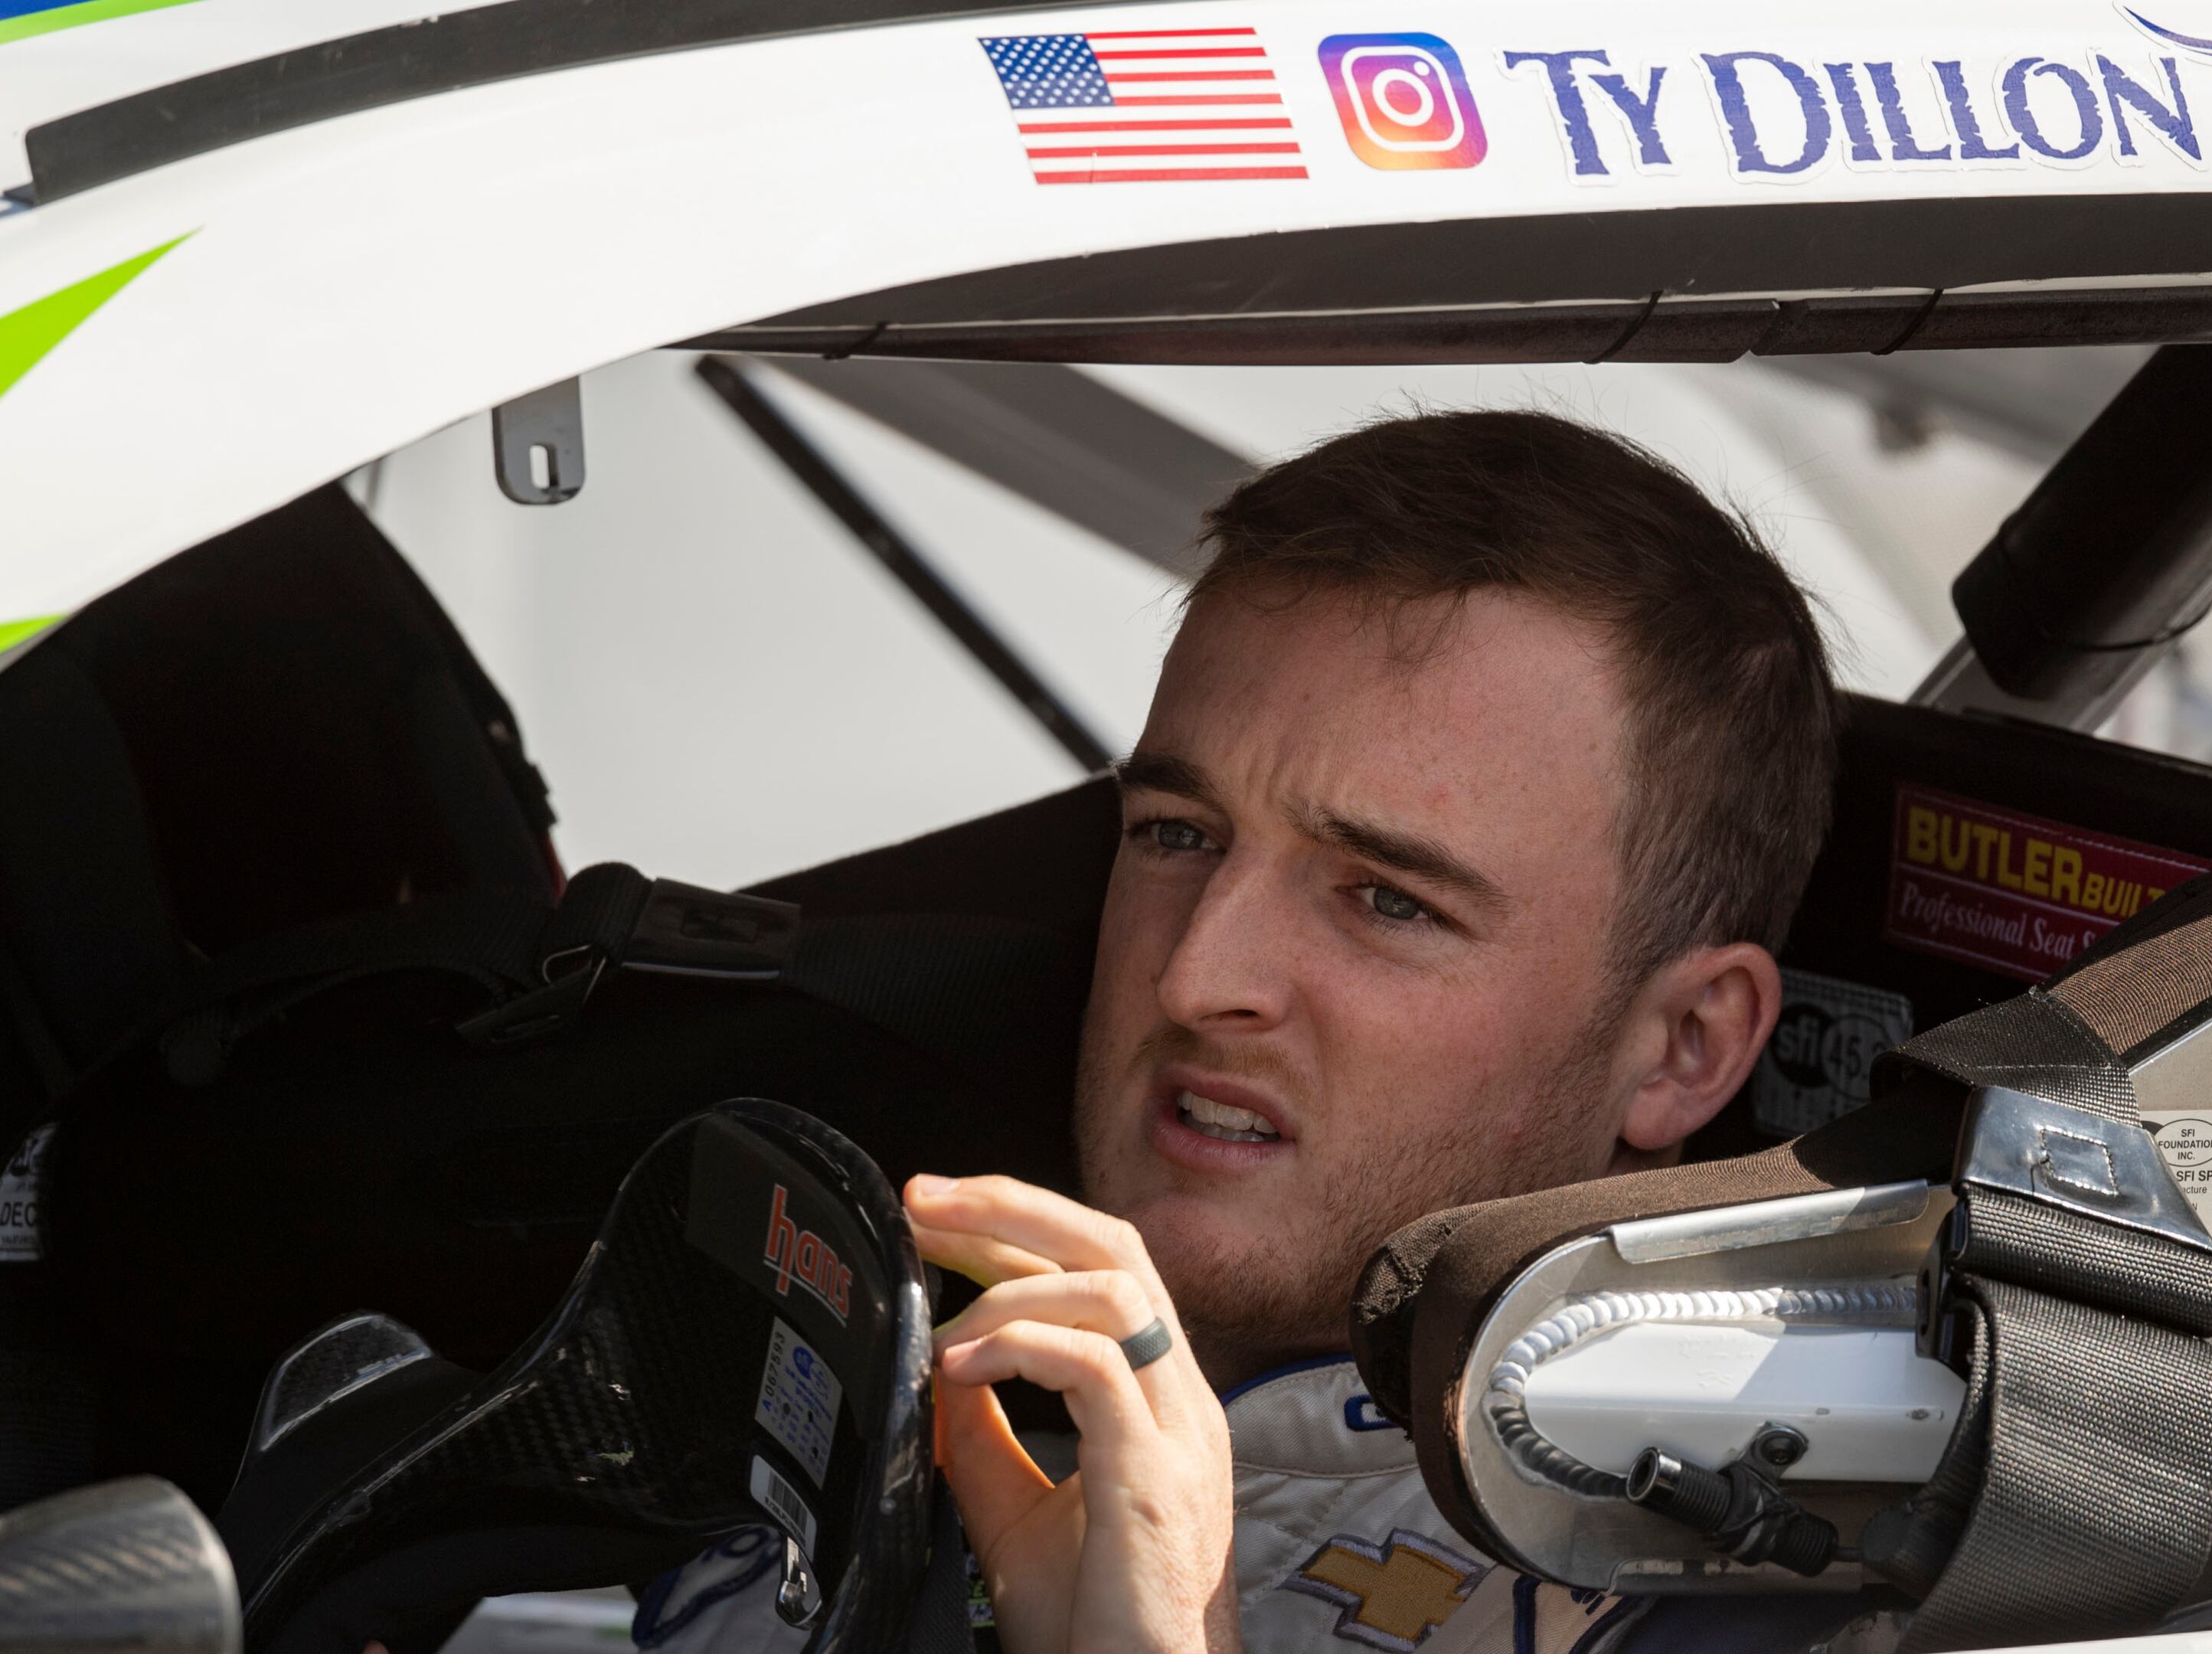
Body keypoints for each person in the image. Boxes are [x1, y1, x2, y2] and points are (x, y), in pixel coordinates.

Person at [635, 407, 1839, 1653]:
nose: (1196, 975)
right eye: (1177, 836)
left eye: (1387, 899)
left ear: (1684, 1046)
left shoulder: (1772, 1594)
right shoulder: (833, 1357)